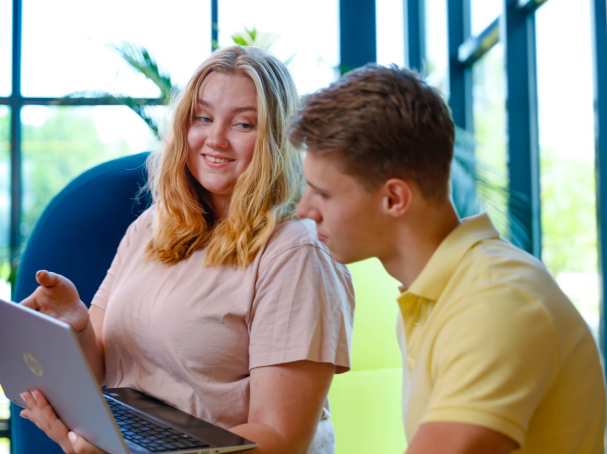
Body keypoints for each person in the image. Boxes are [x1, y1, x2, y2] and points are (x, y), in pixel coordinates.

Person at [18, 46, 354, 454]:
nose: (215, 139)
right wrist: (78, 328)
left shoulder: (296, 253)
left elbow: (282, 440)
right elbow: (107, 374)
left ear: (275, 138)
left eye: (244, 124)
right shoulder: (153, 226)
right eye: (203, 117)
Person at [291, 64, 606, 453]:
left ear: (394, 199)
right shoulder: (436, 294)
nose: (304, 210)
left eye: (322, 194)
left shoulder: (495, 299)